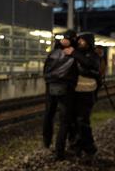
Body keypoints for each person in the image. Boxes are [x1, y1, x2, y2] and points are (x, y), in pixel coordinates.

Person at [42, 30, 78, 160]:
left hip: (51, 86)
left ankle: (46, 142)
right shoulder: (74, 54)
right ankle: (60, 150)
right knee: (65, 121)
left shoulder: (54, 53)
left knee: (48, 115)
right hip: (66, 89)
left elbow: (45, 69)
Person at [65, 33, 101, 161]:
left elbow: (91, 64)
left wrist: (75, 54)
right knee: (73, 121)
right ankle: (76, 147)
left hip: (87, 93)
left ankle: (90, 149)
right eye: (79, 40)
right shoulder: (77, 53)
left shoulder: (93, 55)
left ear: (89, 42)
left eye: (83, 40)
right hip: (75, 92)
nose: (80, 42)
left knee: (83, 122)